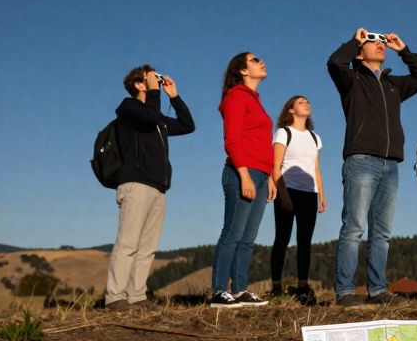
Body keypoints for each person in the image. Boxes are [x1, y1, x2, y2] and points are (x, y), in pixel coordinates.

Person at [327, 28, 417, 306]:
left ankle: (377, 290)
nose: (379, 45)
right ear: (360, 54)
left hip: (391, 164)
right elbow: (334, 62)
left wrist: (403, 50)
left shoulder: (393, 85)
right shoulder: (351, 80)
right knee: (354, 229)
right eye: (372, 42)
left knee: (382, 233)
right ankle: (346, 292)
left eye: (380, 42)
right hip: (361, 159)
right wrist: (355, 40)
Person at [105, 65, 195, 310]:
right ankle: (115, 297)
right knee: (128, 243)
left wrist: (174, 96)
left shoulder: (158, 120)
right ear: (138, 83)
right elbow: (148, 117)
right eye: (152, 77)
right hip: (135, 183)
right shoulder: (128, 108)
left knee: (147, 247)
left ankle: (137, 296)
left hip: (158, 186)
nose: (157, 80)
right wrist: (155, 92)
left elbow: (188, 126)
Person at [210, 52, 275, 309]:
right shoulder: (236, 96)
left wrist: (269, 176)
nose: (261, 61)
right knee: (232, 233)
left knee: (248, 237)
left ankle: (239, 290)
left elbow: (261, 144)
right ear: (242, 71)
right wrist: (244, 173)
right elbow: (233, 140)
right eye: (254, 59)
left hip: (261, 175)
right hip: (242, 173)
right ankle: (218, 291)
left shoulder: (256, 101)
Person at [270, 95, 326, 304]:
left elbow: (316, 167)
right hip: (288, 189)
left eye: (308, 102)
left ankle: (303, 286)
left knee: (305, 240)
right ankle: (276, 286)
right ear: (291, 110)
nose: (307, 104)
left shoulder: (314, 137)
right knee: (282, 238)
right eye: (301, 102)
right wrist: (283, 194)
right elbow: (276, 166)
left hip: (309, 194)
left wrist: (321, 193)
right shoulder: (283, 133)